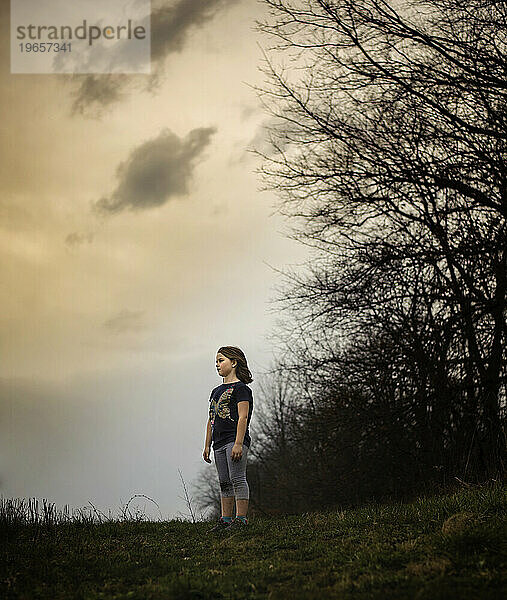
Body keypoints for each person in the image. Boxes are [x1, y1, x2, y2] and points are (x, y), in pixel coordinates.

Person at [203, 346, 254, 533]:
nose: (217, 365)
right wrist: (207, 444)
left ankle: (241, 520)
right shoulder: (216, 391)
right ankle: (225, 520)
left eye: (221, 360)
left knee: (237, 478)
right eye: (216, 361)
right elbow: (211, 418)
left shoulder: (241, 389)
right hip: (218, 443)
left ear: (233, 362)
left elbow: (243, 417)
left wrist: (239, 443)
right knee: (224, 481)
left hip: (235, 440)